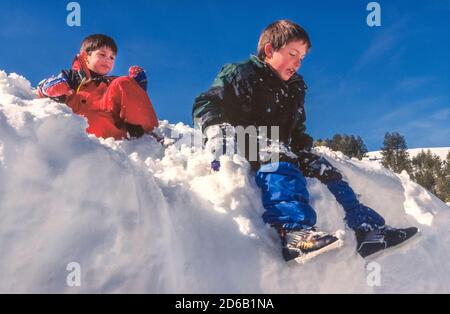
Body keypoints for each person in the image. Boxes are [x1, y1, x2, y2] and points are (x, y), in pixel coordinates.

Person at [193, 20, 417, 263]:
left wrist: (305, 152)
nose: (298, 62)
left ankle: (366, 228)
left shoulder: (295, 89)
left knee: (325, 169)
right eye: (292, 54)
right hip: (244, 139)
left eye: (302, 57)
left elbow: (297, 129)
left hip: (281, 147)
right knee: (278, 151)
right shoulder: (242, 73)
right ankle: (293, 232)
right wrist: (217, 131)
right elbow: (207, 102)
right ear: (269, 51)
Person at [37, 34, 158, 140]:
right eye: (102, 54)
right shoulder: (72, 76)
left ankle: (147, 136)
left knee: (123, 82)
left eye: (112, 57)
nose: (108, 60)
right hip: (85, 123)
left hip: (112, 126)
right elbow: (41, 89)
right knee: (95, 117)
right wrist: (50, 87)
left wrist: (135, 87)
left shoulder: (112, 81)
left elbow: (124, 99)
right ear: (85, 56)